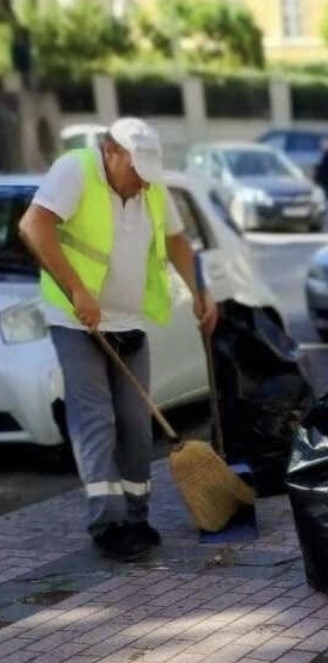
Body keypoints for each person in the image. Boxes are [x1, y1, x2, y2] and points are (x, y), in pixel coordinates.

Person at [19, 118, 218, 561]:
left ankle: (136, 516)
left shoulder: (151, 185)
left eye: (149, 176)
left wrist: (200, 292)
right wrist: (76, 289)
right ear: (110, 151)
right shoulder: (75, 170)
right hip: (76, 320)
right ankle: (108, 525)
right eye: (135, 173)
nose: (142, 185)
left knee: (135, 423)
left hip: (128, 319)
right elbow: (33, 227)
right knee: (96, 421)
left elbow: (178, 242)